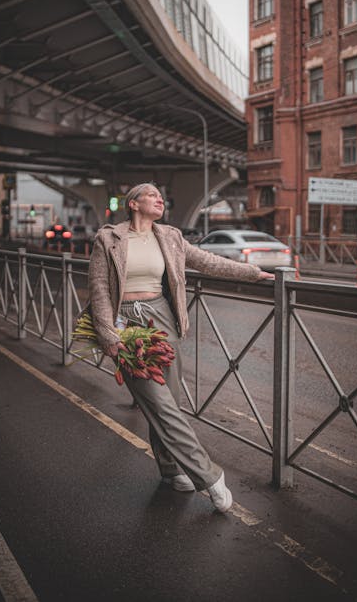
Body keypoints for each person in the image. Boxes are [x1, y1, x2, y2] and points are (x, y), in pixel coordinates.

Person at [88, 183, 274, 512]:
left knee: (170, 398)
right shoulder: (109, 238)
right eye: (152, 194)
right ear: (133, 203)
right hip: (126, 324)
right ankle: (209, 475)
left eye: (163, 194)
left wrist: (253, 273)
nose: (161, 198)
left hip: (162, 319)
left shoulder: (170, 236)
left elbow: (208, 262)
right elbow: (100, 288)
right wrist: (109, 337)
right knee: (160, 403)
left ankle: (171, 469)